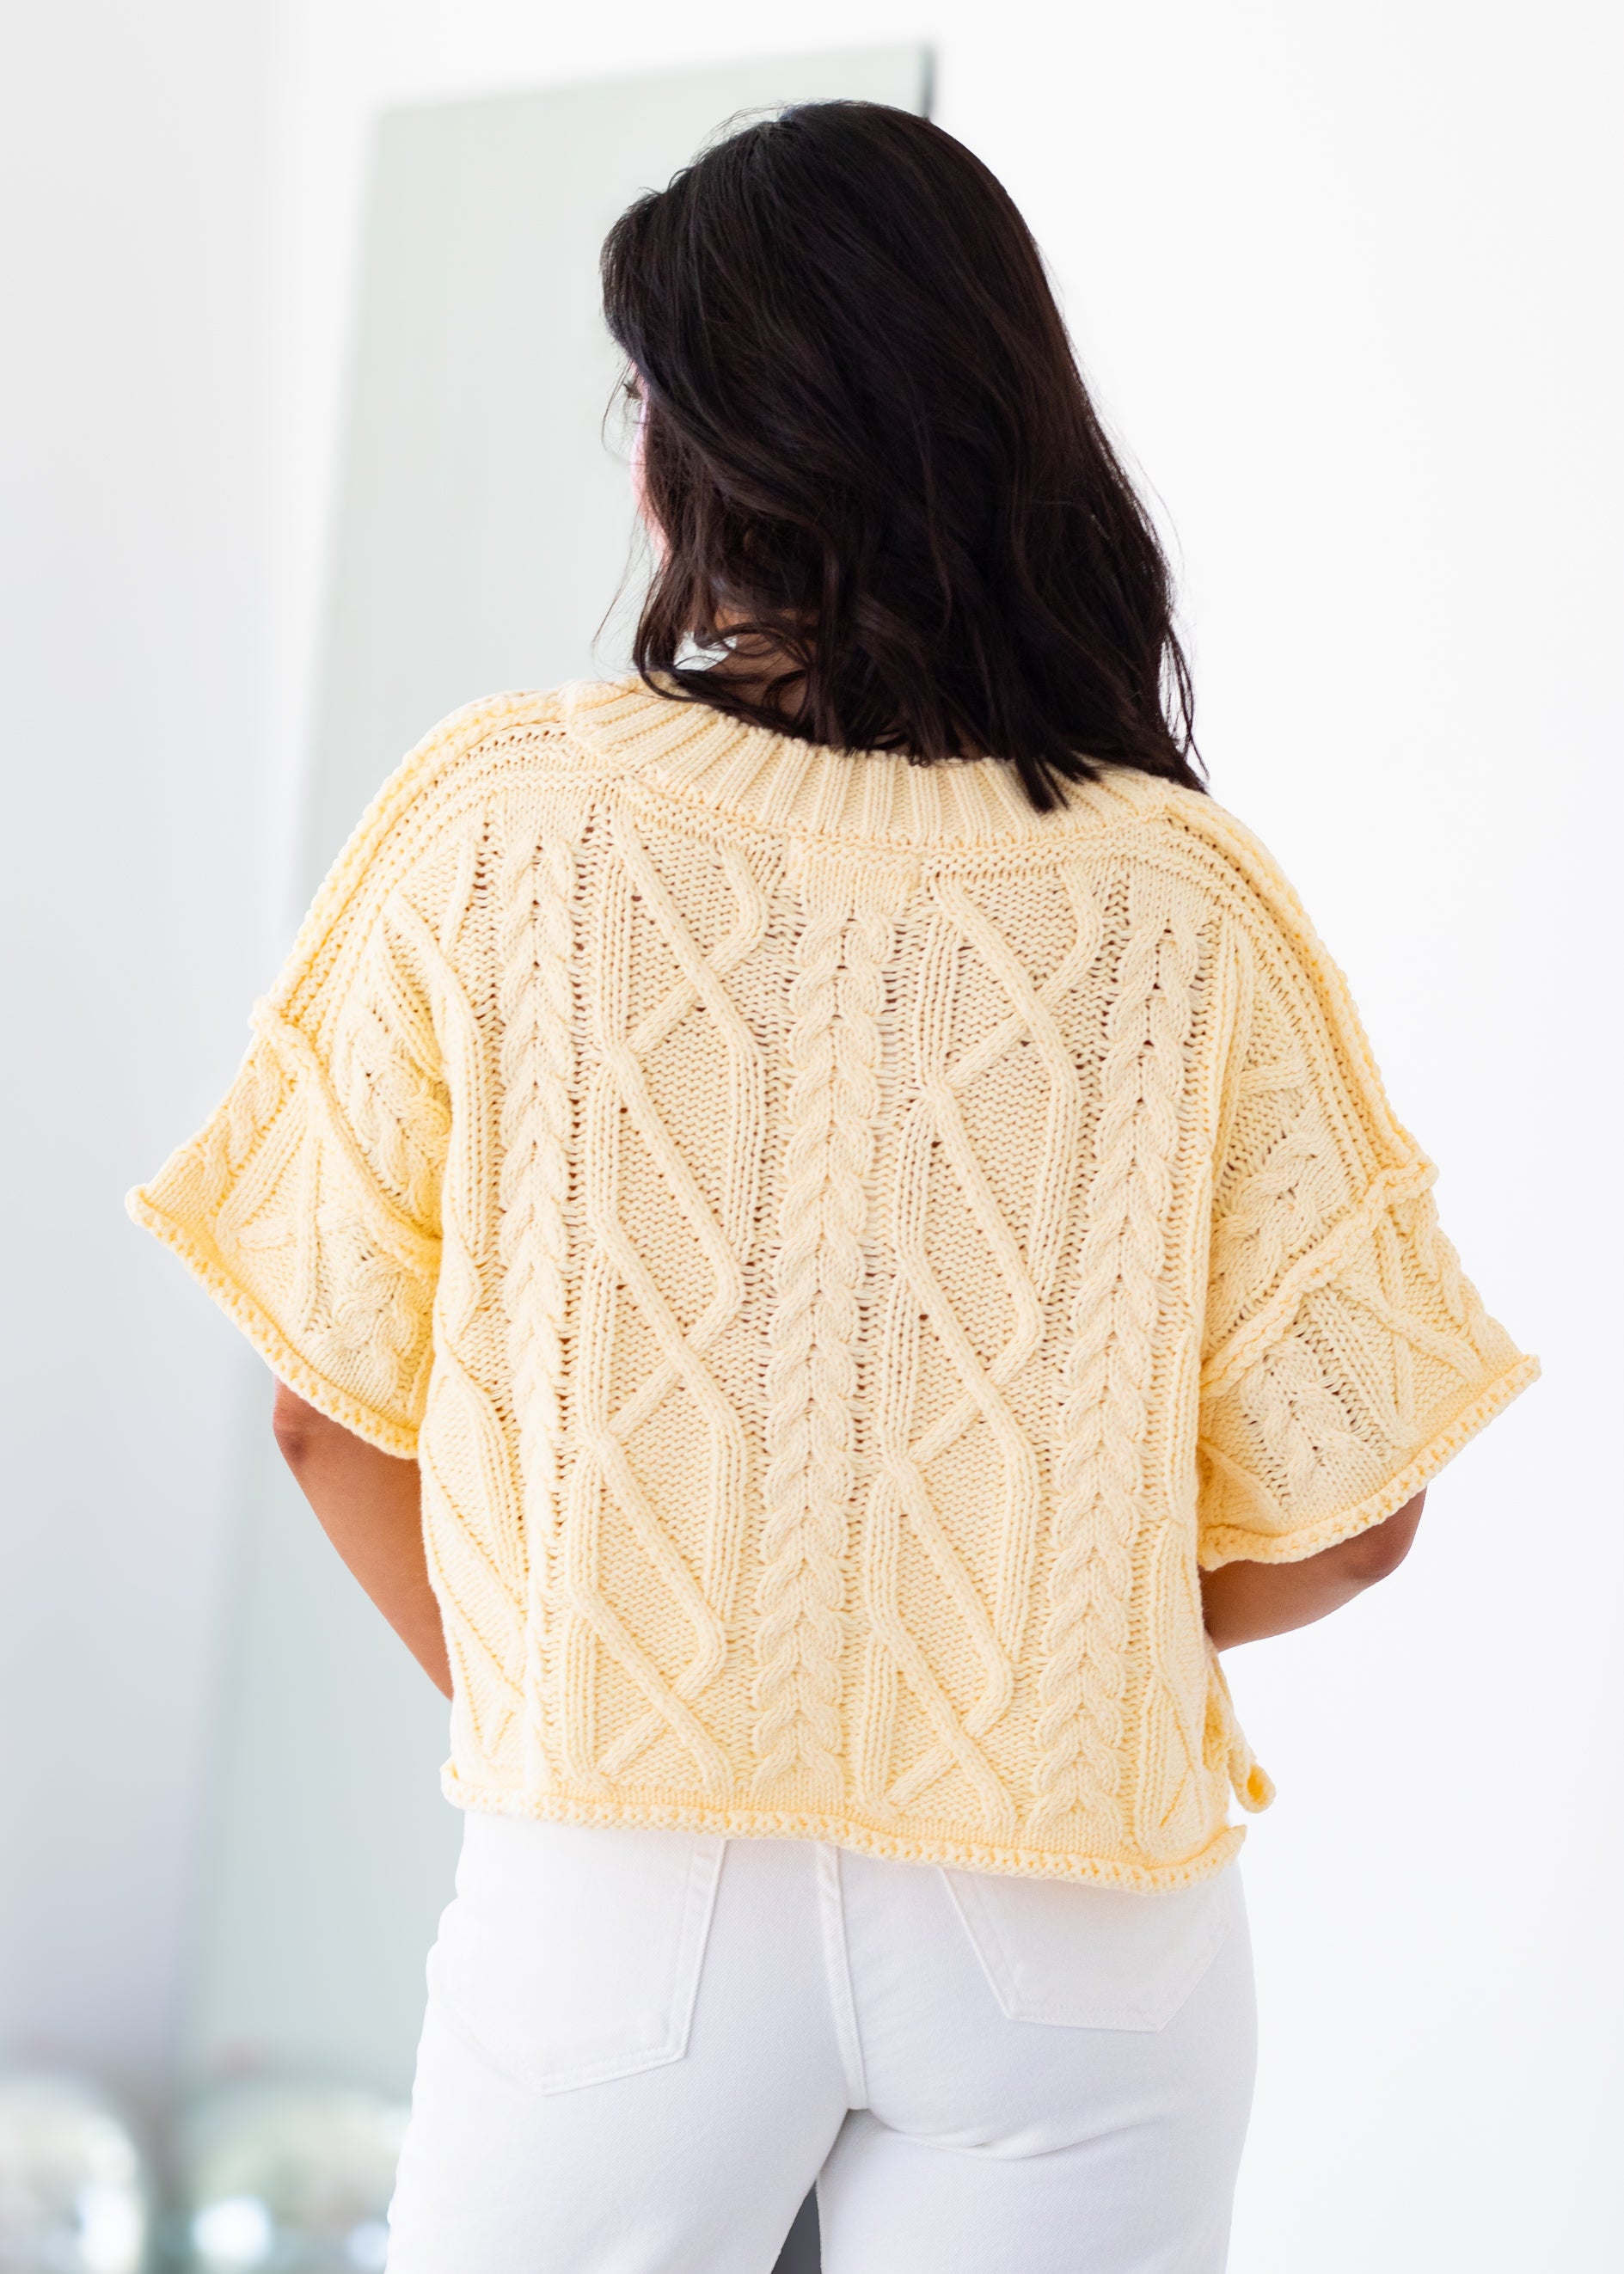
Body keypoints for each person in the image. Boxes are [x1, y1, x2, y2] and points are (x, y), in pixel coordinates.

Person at [131, 101, 1535, 2274]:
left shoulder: (503, 826)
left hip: (626, 1889)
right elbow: (1358, 1517)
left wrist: (578, 1695)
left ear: (702, 464)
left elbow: (328, 1413)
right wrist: (1026, 1634)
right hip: (1081, 1923)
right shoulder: (1187, 908)